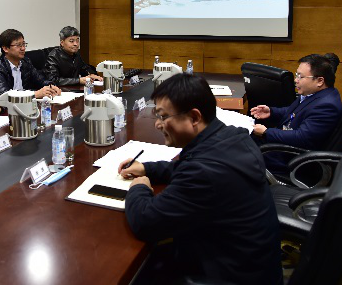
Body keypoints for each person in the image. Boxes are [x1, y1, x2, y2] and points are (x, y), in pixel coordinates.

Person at [118, 73, 282, 285]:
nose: (158, 124)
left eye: (163, 116)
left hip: (226, 275)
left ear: (194, 117)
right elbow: (188, 165)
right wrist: (147, 168)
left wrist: (139, 187)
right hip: (249, 264)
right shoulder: (232, 137)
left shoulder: (204, 173)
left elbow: (145, 222)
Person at [250, 53, 342, 171]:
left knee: (237, 151)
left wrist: (266, 132)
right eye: (296, 75)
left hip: (290, 159)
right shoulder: (314, 94)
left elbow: (302, 138)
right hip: (282, 147)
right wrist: (272, 112)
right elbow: (296, 112)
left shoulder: (326, 106)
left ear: (320, 81)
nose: (295, 80)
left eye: (300, 76)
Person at [0, 29, 61, 99]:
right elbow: (5, 96)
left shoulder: (25, 62)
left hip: (27, 104)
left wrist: (51, 86)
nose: (23, 48)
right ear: (5, 48)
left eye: (23, 44)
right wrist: (35, 94)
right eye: (18, 45)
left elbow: (41, 81)